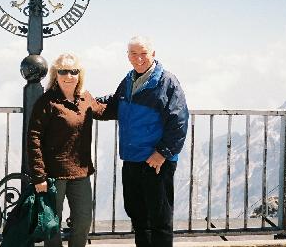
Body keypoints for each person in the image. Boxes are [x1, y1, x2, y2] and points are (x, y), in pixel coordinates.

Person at [101, 36, 189, 247]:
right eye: (134, 54)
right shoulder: (129, 79)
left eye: (143, 53)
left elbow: (179, 120)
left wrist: (162, 153)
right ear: (128, 56)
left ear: (153, 54)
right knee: (139, 217)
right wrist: (84, 101)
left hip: (155, 161)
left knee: (159, 220)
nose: (139, 58)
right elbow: (114, 104)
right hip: (132, 159)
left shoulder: (166, 82)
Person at [27, 53, 107, 247]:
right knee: (52, 223)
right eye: (63, 71)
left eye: (74, 71)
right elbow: (34, 137)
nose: (69, 75)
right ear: (56, 74)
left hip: (81, 172)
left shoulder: (85, 98)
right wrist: (39, 176)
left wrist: (131, 100)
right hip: (53, 175)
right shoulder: (47, 102)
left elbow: (104, 110)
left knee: (83, 220)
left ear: (80, 74)